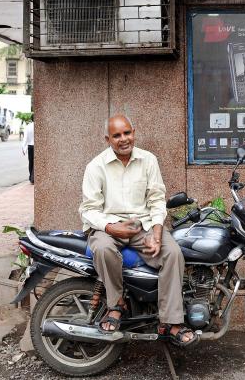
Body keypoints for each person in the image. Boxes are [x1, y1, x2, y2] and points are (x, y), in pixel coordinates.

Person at [78, 114, 198, 348]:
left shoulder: (148, 160)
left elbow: (156, 200)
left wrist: (156, 233)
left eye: (127, 133)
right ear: (107, 139)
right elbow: (88, 209)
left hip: (141, 227)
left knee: (173, 253)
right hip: (108, 227)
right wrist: (112, 227)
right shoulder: (95, 167)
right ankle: (116, 305)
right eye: (117, 135)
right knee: (102, 248)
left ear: (134, 132)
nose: (124, 139)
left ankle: (170, 323)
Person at [21, 116, 34, 184]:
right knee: (36, 163)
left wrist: (24, 148)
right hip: (37, 147)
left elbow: (25, 138)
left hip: (30, 146)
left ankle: (31, 178)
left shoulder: (28, 126)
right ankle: (33, 178)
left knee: (31, 162)